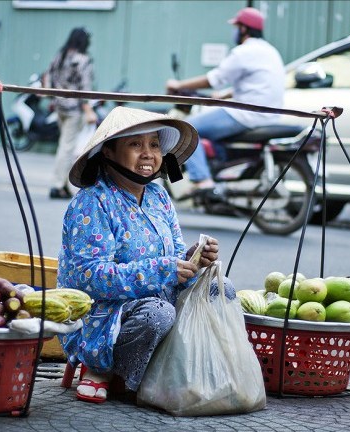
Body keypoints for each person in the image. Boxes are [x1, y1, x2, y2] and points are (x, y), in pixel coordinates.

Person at [57, 106, 234, 404]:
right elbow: (89, 278)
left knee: (221, 289)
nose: (148, 154)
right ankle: (103, 369)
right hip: (103, 316)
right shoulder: (92, 202)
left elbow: (174, 252)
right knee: (158, 313)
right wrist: (163, 270)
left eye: (154, 145)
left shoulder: (158, 196)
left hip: (157, 294)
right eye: (135, 145)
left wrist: (193, 258)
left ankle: (179, 368)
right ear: (109, 153)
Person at [166, 7, 285, 191]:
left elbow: (213, 79)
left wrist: (179, 85)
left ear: (244, 29)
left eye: (236, 27)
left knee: (187, 129)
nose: (234, 32)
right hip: (268, 114)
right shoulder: (270, 52)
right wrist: (225, 95)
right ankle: (214, 173)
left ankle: (202, 180)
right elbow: (256, 84)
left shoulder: (244, 52)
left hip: (246, 115)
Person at [43, 27, 98, 199]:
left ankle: (64, 185)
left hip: (60, 107)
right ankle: (57, 185)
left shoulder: (59, 56)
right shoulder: (83, 60)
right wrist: (89, 110)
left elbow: (48, 79)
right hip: (75, 109)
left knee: (65, 145)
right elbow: (85, 88)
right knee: (67, 147)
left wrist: (53, 99)